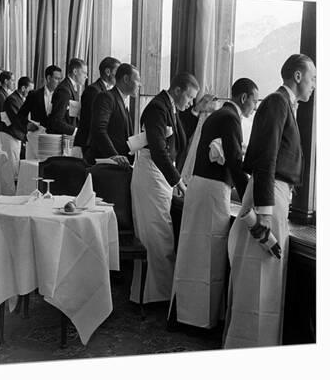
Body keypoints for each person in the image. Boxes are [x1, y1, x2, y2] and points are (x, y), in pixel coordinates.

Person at [223, 54, 315, 348]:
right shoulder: (277, 103)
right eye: (312, 78)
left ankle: (257, 345)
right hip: (268, 195)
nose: (315, 85)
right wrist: (264, 213)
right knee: (258, 274)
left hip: (275, 194)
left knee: (266, 275)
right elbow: (267, 159)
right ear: (297, 77)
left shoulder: (285, 105)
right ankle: (248, 347)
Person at [168, 78, 258, 330]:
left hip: (203, 188)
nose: (254, 106)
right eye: (254, 99)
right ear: (243, 98)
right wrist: (251, 197)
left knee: (196, 252)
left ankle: (190, 315)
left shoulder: (220, 115)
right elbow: (234, 160)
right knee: (208, 254)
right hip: (211, 191)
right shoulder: (230, 118)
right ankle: (198, 320)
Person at [130, 72, 202, 305]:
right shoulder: (157, 108)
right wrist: (178, 181)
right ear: (178, 90)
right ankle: (158, 297)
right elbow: (160, 150)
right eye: (189, 98)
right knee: (157, 236)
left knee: (159, 235)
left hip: (158, 174)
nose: (190, 103)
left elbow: (178, 137)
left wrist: (194, 112)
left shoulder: (169, 107)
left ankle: (154, 294)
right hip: (152, 174)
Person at [89, 63, 140, 167]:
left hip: (120, 166)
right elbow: (99, 129)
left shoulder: (122, 100)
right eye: (137, 80)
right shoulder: (106, 97)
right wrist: (114, 156)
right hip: (107, 165)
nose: (140, 84)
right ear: (126, 79)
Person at [75, 57, 121, 162]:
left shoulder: (109, 92)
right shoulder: (93, 90)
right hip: (89, 145)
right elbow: (93, 121)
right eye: (117, 72)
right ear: (108, 72)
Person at [18, 65, 63, 159]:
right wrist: (27, 124)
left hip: (54, 141)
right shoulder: (34, 95)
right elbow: (21, 115)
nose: (59, 82)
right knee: (33, 167)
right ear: (48, 78)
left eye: (60, 79)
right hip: (36, 138)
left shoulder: (63, 96)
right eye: (56, 78)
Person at [0, 76, 34, 178]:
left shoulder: (19, 99)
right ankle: (10, 192)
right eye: (30, 90)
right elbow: (16, 119)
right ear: (23, 88)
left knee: (15, 163)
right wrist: (29, 126)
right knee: (11, 165)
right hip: (10, 135)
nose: (30, 93)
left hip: (15, 135)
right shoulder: (12, 100)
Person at [47, 58, 88, 135]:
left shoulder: (72, 88)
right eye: (84, 73)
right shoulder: (64, 90)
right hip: (60, 138)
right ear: (75, 71)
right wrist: (76, 131)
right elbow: (56, 121)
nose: (86, 77)